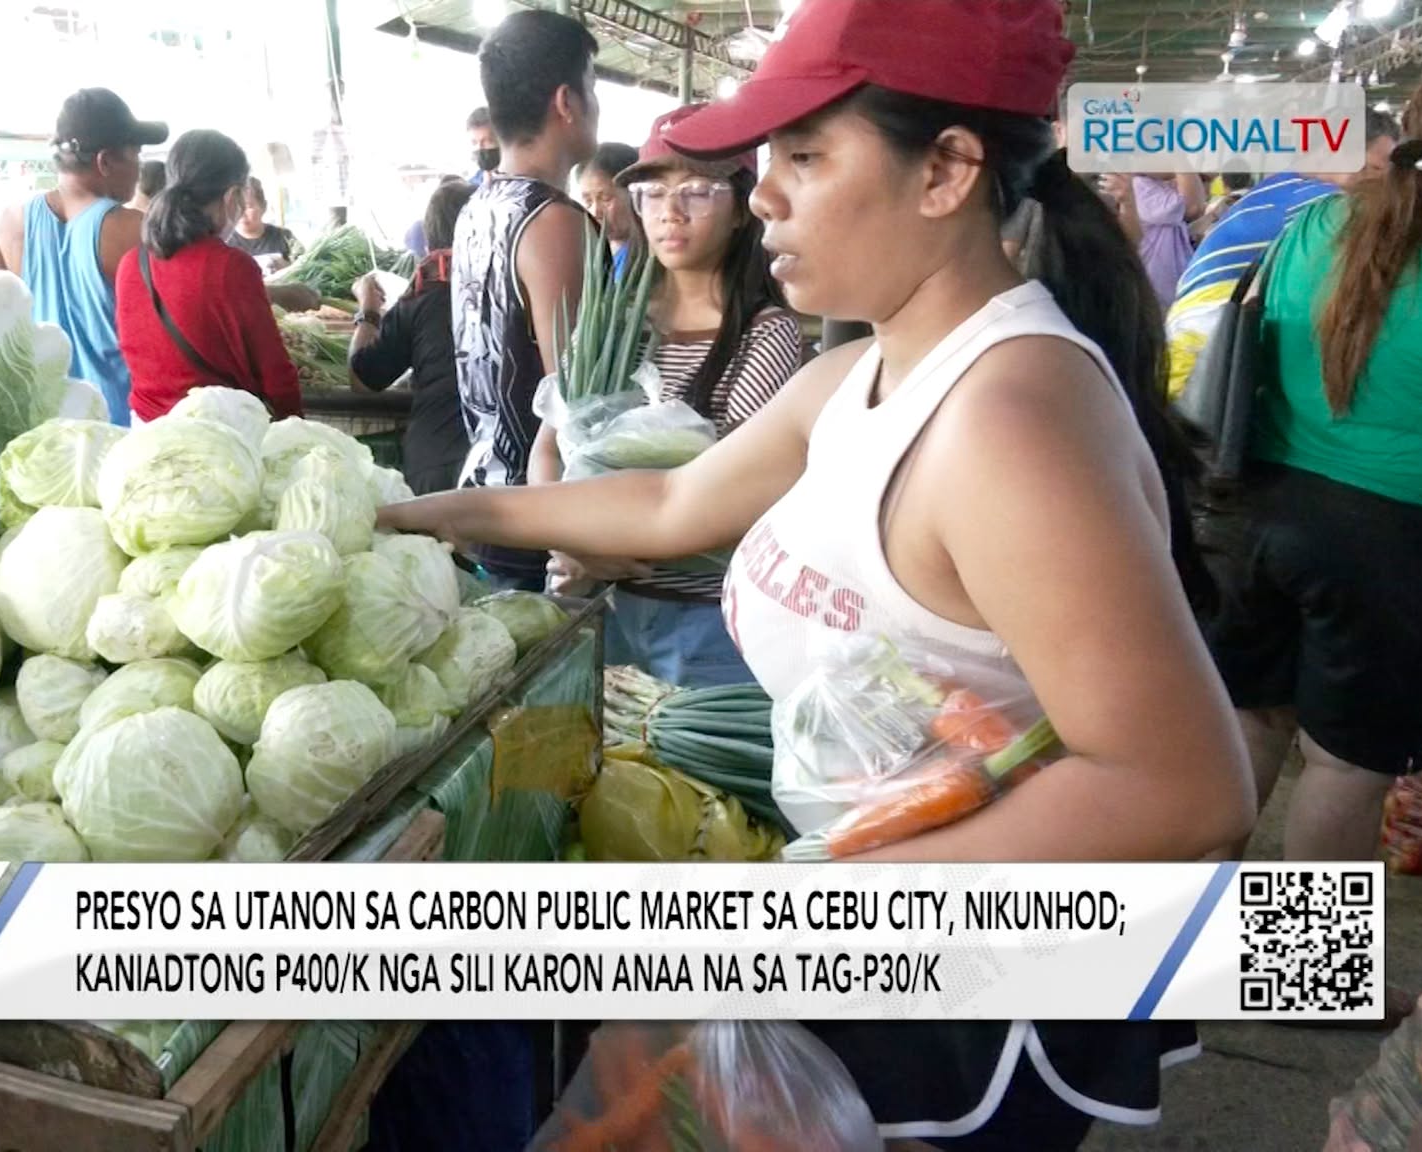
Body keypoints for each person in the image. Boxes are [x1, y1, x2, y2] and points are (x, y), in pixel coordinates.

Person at [383, 1, 1251, 1147]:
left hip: (970, 990)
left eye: (802, 156)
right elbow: (665, 504)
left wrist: (812, 919)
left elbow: (1180, 788)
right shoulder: (859, 375)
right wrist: (413, 516)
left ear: (944, 171)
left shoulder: (1005, 419)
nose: (761, 196)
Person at [1206, 52, 1422, 864]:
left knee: (1249, 722)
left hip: (1257, 518)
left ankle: (1189, 924)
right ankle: (1303, 953)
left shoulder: (1315, 225)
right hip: (1390, 550)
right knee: (1343, 768)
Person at [546, 106, 802, 688]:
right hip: (599, 605)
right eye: (652, 193)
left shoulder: (765, 335)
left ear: (741, 209)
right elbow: (548, 447)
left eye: (697, 191)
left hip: (703, 624)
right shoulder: (612, 322)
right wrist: (567, 540)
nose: (671, 212)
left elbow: (732, 494)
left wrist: (601, 544)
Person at [448, 8, 601, 592]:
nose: (595, 103)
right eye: (592, 87)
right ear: (566, 101)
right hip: (545, 525)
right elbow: (578, 398)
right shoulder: (554, 221)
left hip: (489, 500)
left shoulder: (478, 207)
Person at [1164, 111, 1401, 397]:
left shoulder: (1282, 186)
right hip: (1204, 348)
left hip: (1198, 339)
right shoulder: (1320, 201)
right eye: (1374, 169)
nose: (1384, 183)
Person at [0, 88, 165, 426]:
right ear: (105, 162)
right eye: (135, 155)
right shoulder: (135, 229)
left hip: (46, 429)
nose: (138, 168)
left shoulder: (10, 222)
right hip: (122, 427)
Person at [115, 129, 302, 424]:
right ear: (232, 197)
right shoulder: (232, 267)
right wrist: (297, 429)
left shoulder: (131, 264)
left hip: (147, 432)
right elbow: (276, 375)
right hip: (218, 436)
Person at [349, 180, 474, 495]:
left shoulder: (423, 296)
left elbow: (362, 379)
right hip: (503, 463)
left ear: (429, 241)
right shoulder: (512, 291)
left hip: (435, 459)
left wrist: (368, 308)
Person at [1101, 171, 1201, 306]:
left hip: (1168, 286)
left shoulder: (1158, 187)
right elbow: (1193, 207)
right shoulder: (1139, 187)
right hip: (1159, 289)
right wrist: (1181, 163)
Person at [575, 141, 639, 267]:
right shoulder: (590, 255)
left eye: (605, 198)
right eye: (588, 201)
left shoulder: (651, 257)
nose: (595, 212)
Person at [224, 176, 298, 273]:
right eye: (236, 207)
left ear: (263, 206)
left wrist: (287, 267)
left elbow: (304, 268)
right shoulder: (225, 243)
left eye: (248, 207)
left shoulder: (284, 237)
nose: (241, 213)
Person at [466, 105, 500, 187]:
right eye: (474, 143)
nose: (479, 147)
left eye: (487, 141)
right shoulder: (472, 186)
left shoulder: (520, 182)